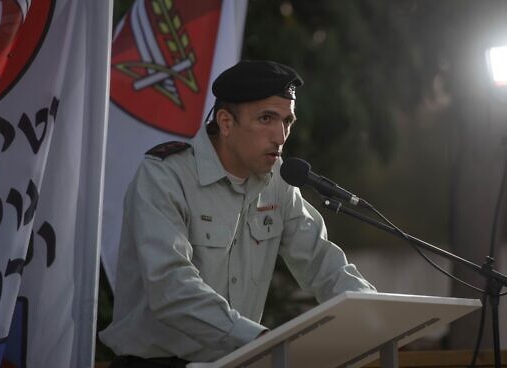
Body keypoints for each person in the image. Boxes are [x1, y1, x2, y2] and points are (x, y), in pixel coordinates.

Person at [99, 60, 376, 367]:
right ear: (226, 122)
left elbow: (323, 262)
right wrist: (259, 340)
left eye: (287, 121)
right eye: (266, 118)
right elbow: (170, 287)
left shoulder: (278, 182)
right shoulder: (165, 177)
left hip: (239, 360)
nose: (280, 136)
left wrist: (374, 315)